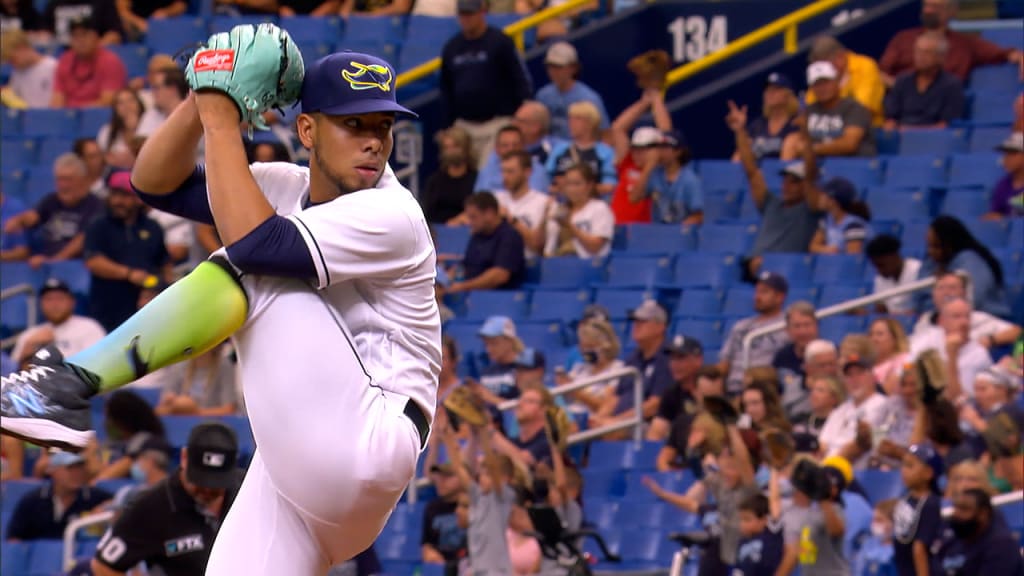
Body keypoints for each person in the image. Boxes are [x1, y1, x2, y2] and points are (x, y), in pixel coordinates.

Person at [1, 42, 440, 575]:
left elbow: (259, 247)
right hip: (299, 478)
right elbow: (154, 183)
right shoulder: (284, 187)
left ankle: (64, 387)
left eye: (383, 127)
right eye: (355, 124)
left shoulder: (393, 212)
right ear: (308, 131)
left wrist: (220, 116)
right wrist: (201, 94)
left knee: (256, 267)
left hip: (371, 437)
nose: (373, 142)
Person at [91, 423, 243, 576]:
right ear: (184, 458)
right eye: (200, 481)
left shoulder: (249, 491)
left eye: (217, 483)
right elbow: (103, 566)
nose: (208, 489)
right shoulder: (151, 507)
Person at [925, 215, 1009, 317]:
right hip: (946, 319)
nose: (931, 251)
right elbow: (918, 299)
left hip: (984, 317)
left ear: (950, 244)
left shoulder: (970, 261)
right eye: (929, 245)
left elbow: (973, 299)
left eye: (936, 246)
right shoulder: (931, 262)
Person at [938, 488, 1024, 575]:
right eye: (956, 507)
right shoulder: (950, 543)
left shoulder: (1002, 546)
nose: (956, 513)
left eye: (964, 509)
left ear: (983, 514)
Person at [892, 443, 943, 576]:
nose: (904, 470)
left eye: (910, 466)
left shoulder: (930, 504)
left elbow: (920, 548)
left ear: (928, 473)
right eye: (903, 465)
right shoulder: (907, 496)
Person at [808, 176, 871, 255]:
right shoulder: (827, 220)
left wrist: (833, 253)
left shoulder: (854, 225)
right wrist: (828, 250)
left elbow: (853, 259)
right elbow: (813, 247)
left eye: (823, 194)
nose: (819, 198)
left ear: (833, 201)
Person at [733, 492, 784, 576]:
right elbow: (738, 568)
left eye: (747, 519)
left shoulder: (772, 540)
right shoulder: (742, 542)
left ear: (763, 520)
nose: (742, 524)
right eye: (741, 519)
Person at [983, 132, 1024, 220]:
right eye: (1005, 153)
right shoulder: (1002, 185)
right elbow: (995, 213)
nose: (1006, 158)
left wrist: (1003, 218)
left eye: (1012, 153)